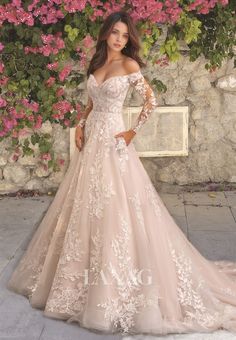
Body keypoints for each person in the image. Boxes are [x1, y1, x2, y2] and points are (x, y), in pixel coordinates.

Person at [7, 10, 236, 336]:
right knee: (84, 206)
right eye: (115, 32)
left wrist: (131, 133)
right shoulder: (97, 63)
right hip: (92, 144)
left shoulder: (128, 66)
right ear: (105, 33)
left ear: (129, 39)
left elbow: (151, 100)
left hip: (114, 142)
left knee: (117, 207)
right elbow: (91, 100)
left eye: (124, 35)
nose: (119, 38)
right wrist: (80, 124)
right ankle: (75, 282)